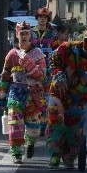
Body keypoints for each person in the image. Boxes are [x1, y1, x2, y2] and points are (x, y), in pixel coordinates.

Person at [46, 28, 87, 169]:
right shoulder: (68, 48)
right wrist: (58, 74)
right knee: (56, 121)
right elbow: (53, 61)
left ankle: (69, 157)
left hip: (79, 98)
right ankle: (55, 155)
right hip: (59, 93)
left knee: (74, 129)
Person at [0, 21, 47, 165]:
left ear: (30, 35)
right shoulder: (11, 54)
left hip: (34, 94)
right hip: (15, 92)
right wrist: (1, 96)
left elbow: (43, 76)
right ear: (16, 35)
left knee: (34, 128)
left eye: (26, 33)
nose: (24, 36)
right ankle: (17, 152)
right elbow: (5, 76)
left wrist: (29, 65)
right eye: (21, 33)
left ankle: (30, 143)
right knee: (15, 124)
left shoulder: (38, 54)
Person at [30, 7, 59, 136]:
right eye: (40, 17)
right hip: (32, 70)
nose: (42, 19)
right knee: (33, 97)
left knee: (46, 99)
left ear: (48, 19)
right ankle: (33, 122)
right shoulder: (30, 33)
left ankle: (43, 125)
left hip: (48, 70)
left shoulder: (53, 34)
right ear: (37, 18)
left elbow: (58, 51)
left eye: (45, 17)